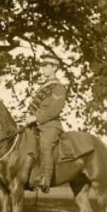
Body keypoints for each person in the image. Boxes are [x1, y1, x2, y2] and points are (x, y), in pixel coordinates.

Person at [26, 54, 67, 193]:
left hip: (50, 125)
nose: (42, 69)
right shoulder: (43, 87)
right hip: (36, 124)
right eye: (42, 66)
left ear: (54, 68)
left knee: (45, 144)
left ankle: (45, 179)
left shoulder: (58, 87)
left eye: (46, 66)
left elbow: (54, 110)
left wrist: (36, 118)